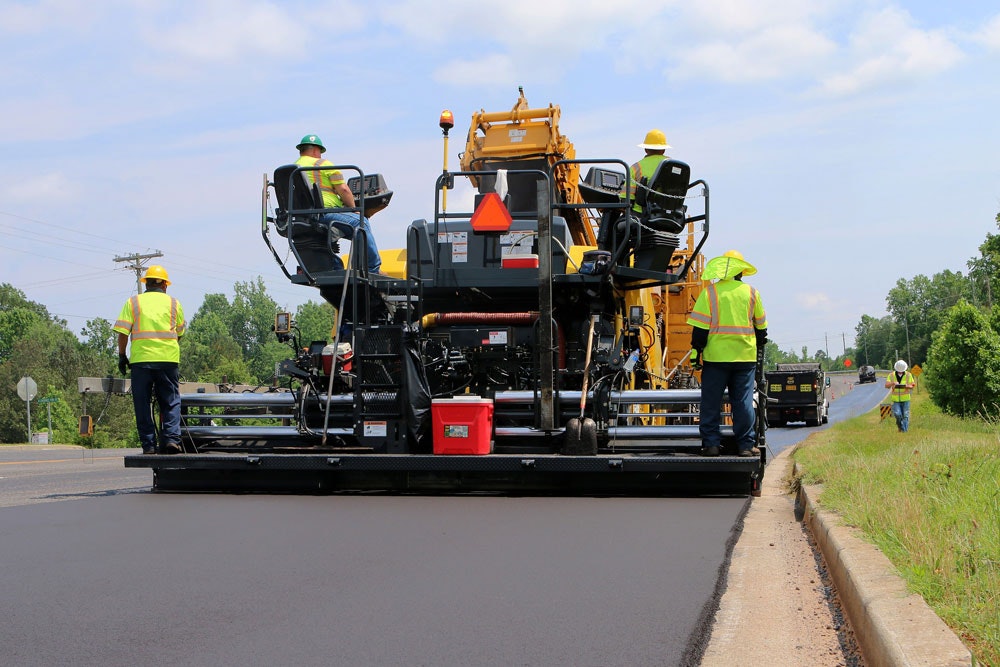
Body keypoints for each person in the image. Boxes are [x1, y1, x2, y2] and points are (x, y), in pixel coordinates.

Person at [687, 250, 768, 457]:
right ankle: (745, 446)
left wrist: (696, 352)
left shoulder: (710, 293)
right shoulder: (752, 293)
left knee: (711, 402)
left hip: (716, 359)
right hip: (745, 358)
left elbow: (700, 330)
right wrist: (756, 347)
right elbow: (762, 330)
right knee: (742, 402)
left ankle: (711, 445)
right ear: (741, 271)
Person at [113, 265, 186, 455]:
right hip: (168, 361)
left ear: (146, 283)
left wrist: (122, 356)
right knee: (170, 401)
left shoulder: (134, 302)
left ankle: (149, 445)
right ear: (165, 286)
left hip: (141, 362)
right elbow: (179, 333)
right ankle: (170, 439)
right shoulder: (174, 304)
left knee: (142, 402)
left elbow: (122, 332)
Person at [295, 134, 383, 274]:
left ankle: (335, 268)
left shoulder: (294, 168)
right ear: (316, 150)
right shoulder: (323, 164)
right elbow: (343, 189)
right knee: (362, 223)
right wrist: (353, 208)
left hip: (302, 217)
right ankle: (372, 269)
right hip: (325, 213)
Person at [622, 128, 671, 214]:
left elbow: (626, 199)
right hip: (671, 217)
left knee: (617, 225)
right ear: (664, 150)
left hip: (642, 217)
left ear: (645, 149)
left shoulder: (636, 168)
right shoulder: (673, 166)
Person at [885, 360, 916, 432]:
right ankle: (900, 426)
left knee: (905, 415)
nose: (900, 372)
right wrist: (892, 383)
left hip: (906, 399)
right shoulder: (891, 375)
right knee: (897, 414)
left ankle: (904, 431)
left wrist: (906, 386)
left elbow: (912, 385)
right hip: (896, 400)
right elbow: (886, 385)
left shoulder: (908, 375)